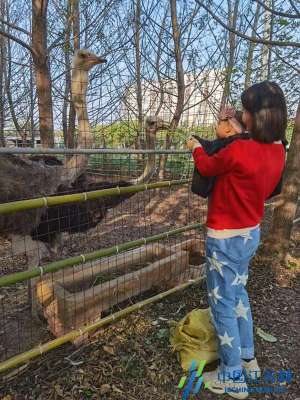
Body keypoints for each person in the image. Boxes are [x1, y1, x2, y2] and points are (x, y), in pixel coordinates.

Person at [186, 81, 287, 399]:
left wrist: (195, 146)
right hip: (249, 234)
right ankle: (248, 359)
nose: (239, 114)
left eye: (244, 110)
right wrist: (229, 119)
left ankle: (232, 378)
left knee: (223, 305)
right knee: (239, 292)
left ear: (255, 117)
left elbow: (206, 164)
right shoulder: (278, 148)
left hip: (225, 237)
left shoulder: (239, 150)